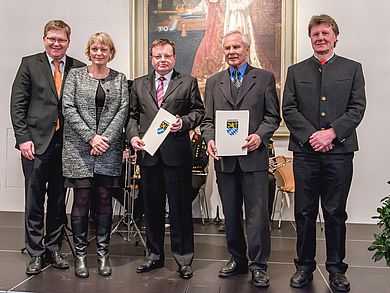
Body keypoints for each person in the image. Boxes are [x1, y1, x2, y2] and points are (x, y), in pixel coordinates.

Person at [283, 14, 366, 292]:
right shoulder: (296, 71)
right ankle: (304, 266)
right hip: (306, 154)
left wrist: (331, 133)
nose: (320, 38)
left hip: (340, 152)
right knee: (304, 212)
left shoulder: (353, 68)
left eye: (325, 33)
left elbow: (357, 108)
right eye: (316, 34)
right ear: (311, 38)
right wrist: (311, 137)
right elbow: (289, 109)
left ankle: (336, 269)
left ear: (335, 37)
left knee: (335, 212)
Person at [201, 30, 281, 288]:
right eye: (227, 48)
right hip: (225, 160)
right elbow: (207, 121)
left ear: (246, 49)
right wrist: (210, 139)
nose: (232, 52)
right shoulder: (214, 82)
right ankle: (237, 260)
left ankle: (258, 265)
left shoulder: (265, 78)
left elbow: (272, 117)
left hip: (253, 157)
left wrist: (259, 136)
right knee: (231, 214)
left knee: (257, 216)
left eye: (236, 47)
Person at [10, 20, 85, 275]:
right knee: (34, 202)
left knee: (57, 201)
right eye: (52, 39)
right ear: (44, 40)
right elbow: (17, 104)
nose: (56, 43)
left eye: (61, 40)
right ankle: (35, 252)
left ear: (68, 42)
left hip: (66, 146)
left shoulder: (78, 67)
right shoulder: (30, 64)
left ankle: (53, 248)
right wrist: (23, 138)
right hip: (35, 144)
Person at [126, 39, 204, 279]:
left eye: (167, 56)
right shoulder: (139, 84)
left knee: (180, 209)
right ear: (151, 58)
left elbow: (199, 112)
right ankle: (154, 256)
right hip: (149, 155)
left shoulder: (188, 82)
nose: (162, 60)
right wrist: (133, 137)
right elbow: (131, 116)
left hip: (177, 155)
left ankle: (183, 258)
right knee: (152, 208)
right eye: (158, 56)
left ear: (174, 58)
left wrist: (184, 123)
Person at [62, 32, 129, 278]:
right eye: (95, 49)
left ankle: (102, 255)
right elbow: (68, 108)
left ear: (111, 53)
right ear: (88, 51)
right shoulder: (75, 76)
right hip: (79, 150)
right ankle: (80, 256)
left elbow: (123, 110)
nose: (99, 53)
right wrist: (92, 137)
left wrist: (105, 140)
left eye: (104, 49)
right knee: (80, 200)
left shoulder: (120, 79)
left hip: (108, 150)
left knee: (103, 200)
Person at [190, 128, 209, 201]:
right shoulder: (177, 139)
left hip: (195, 173)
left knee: (193, 185)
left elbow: (203, 161)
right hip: (178, 173)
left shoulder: (200, 139)